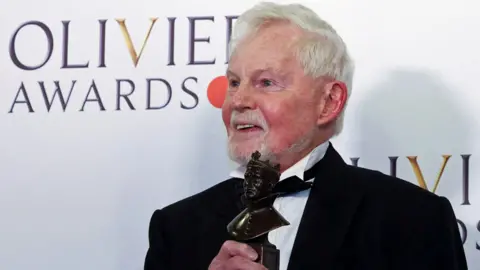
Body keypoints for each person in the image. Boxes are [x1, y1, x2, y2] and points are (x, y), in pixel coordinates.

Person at [143, 2, 468, 270]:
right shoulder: (176, 229)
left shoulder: (411, 220)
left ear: (329, 102)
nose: (238, 101)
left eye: (266, 82)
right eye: (233, 82)